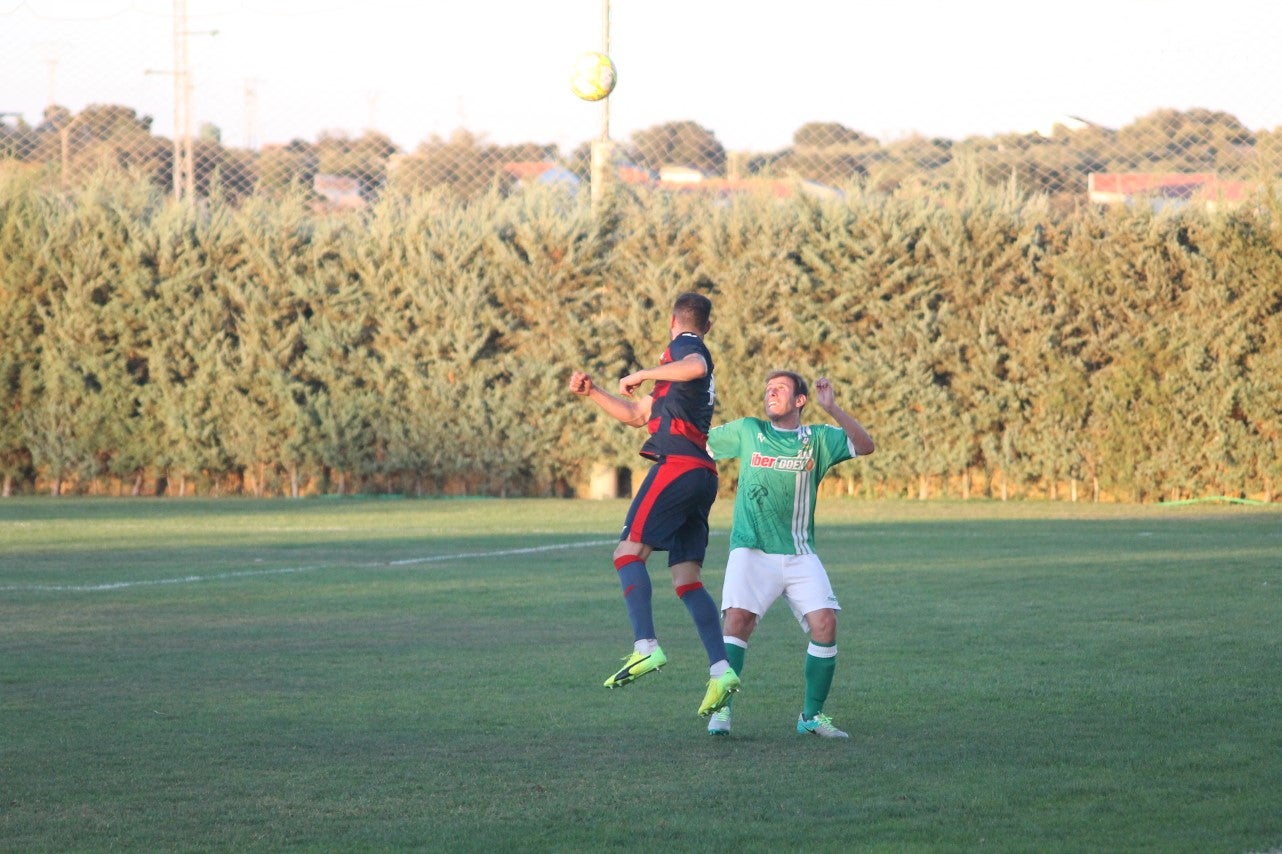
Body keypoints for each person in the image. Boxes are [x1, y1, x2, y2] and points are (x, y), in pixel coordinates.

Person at [568, 292, 740, 718]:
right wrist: (594, 392)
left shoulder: (683, 348)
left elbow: (697, 363)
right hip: (702, 475)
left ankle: (645, 646)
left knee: (627, 553)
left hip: (678, 466)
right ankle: (722, 670)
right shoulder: (674, 375)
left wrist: (644, 370)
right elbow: (635, 414)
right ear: (710, 324)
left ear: (672, 321)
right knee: (686, 580)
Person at [704, 371, 875, 738]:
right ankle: (720, 712)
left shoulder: (816, 439)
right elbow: (697, 443)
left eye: (779, 389)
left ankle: (811, 718)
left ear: (800, 400)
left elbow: (865, 446)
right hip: (752, 549)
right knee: (737, 622)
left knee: (826, 623)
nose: (771, 394)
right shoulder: (749, 431)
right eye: (767, 389)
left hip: (799, 553)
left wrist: (833, 408)